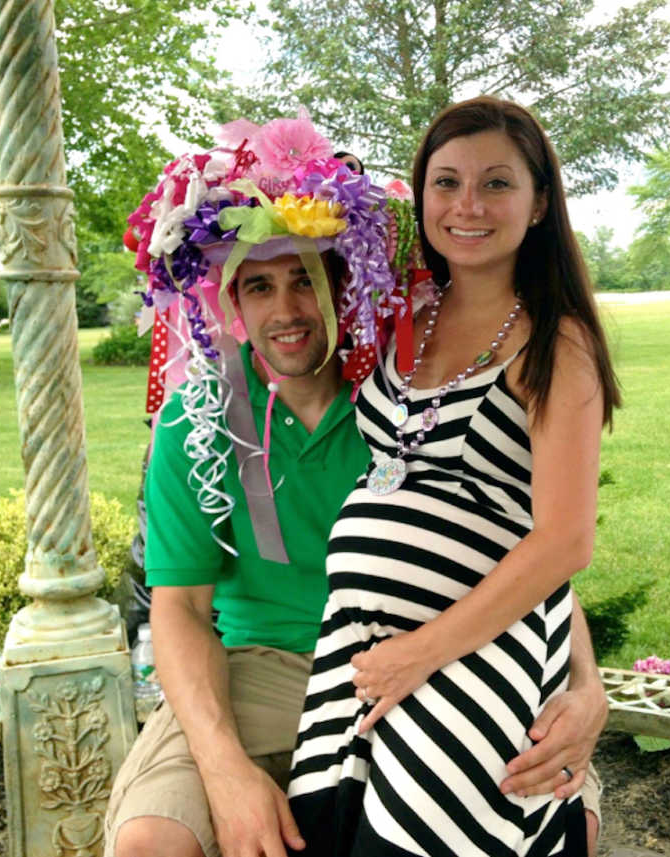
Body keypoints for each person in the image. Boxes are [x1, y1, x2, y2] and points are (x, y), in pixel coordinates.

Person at [104, 111, 607, 857]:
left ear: (347, 283)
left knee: (563, 822)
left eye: (307, 280)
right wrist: (224, 768)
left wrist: (587, 683)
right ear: (230, 304)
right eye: (259, 286)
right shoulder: (199, 420)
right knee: (151, 843)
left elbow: (526, 529)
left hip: (446, 653)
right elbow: (179, 607)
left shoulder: (404, 380)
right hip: (262, 669)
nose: (286, 312)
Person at [288, 96, 621, 856]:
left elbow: (564, 542)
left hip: (477, 651)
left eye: (497, 184)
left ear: (539, 205)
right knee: (332, 833)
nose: (467, 205)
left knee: (422, 839)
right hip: (365, 646)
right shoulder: (409, 314)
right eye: (446, 183)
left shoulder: (556, 341)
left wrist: (424, 650)